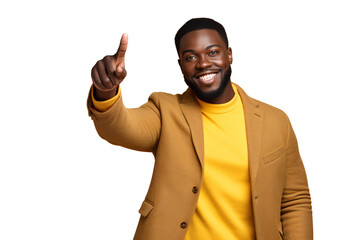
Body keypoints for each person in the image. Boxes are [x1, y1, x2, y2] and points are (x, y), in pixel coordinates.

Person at [87, 18, 313, 240]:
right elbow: (119, 128)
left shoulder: (275, 121)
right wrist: (106, 90)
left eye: (213, 52)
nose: (203, 63)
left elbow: (295, 199)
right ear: (180, 65)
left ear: (230, 54)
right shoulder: (166, 111)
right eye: (191, 57)